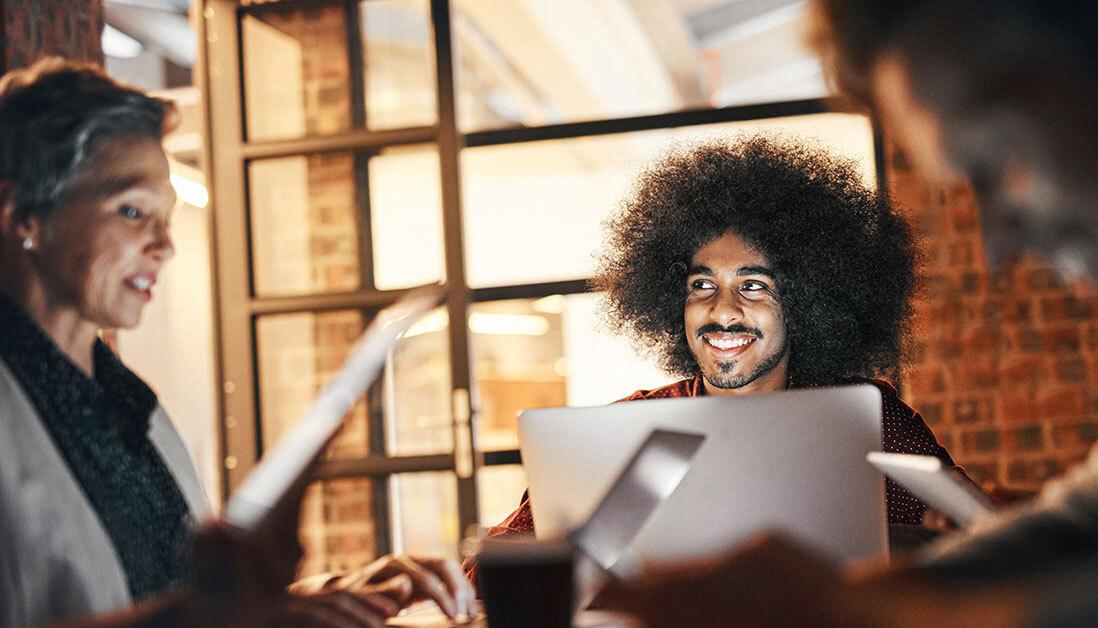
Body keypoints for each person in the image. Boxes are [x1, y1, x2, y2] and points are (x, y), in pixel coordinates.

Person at [606, 1, 1098, 625]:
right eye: (703, 285)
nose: (997, 247)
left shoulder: (872, 414)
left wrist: (870, 607)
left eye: (998, 161)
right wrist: (846, 597)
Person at [0, 58, 477, 626]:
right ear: (23, 213)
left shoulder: (130, 405)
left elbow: (177, 599)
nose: (164, 246)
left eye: (167, 218)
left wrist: (322, 595)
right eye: (133, 211)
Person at [466, 137, 966, 580]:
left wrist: (894, 543)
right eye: (702, 285)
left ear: (808, 303)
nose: (722, 310)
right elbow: (494, 567)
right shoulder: (630, 428)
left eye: (753, 286)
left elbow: (973, 547)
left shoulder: (870, 419)